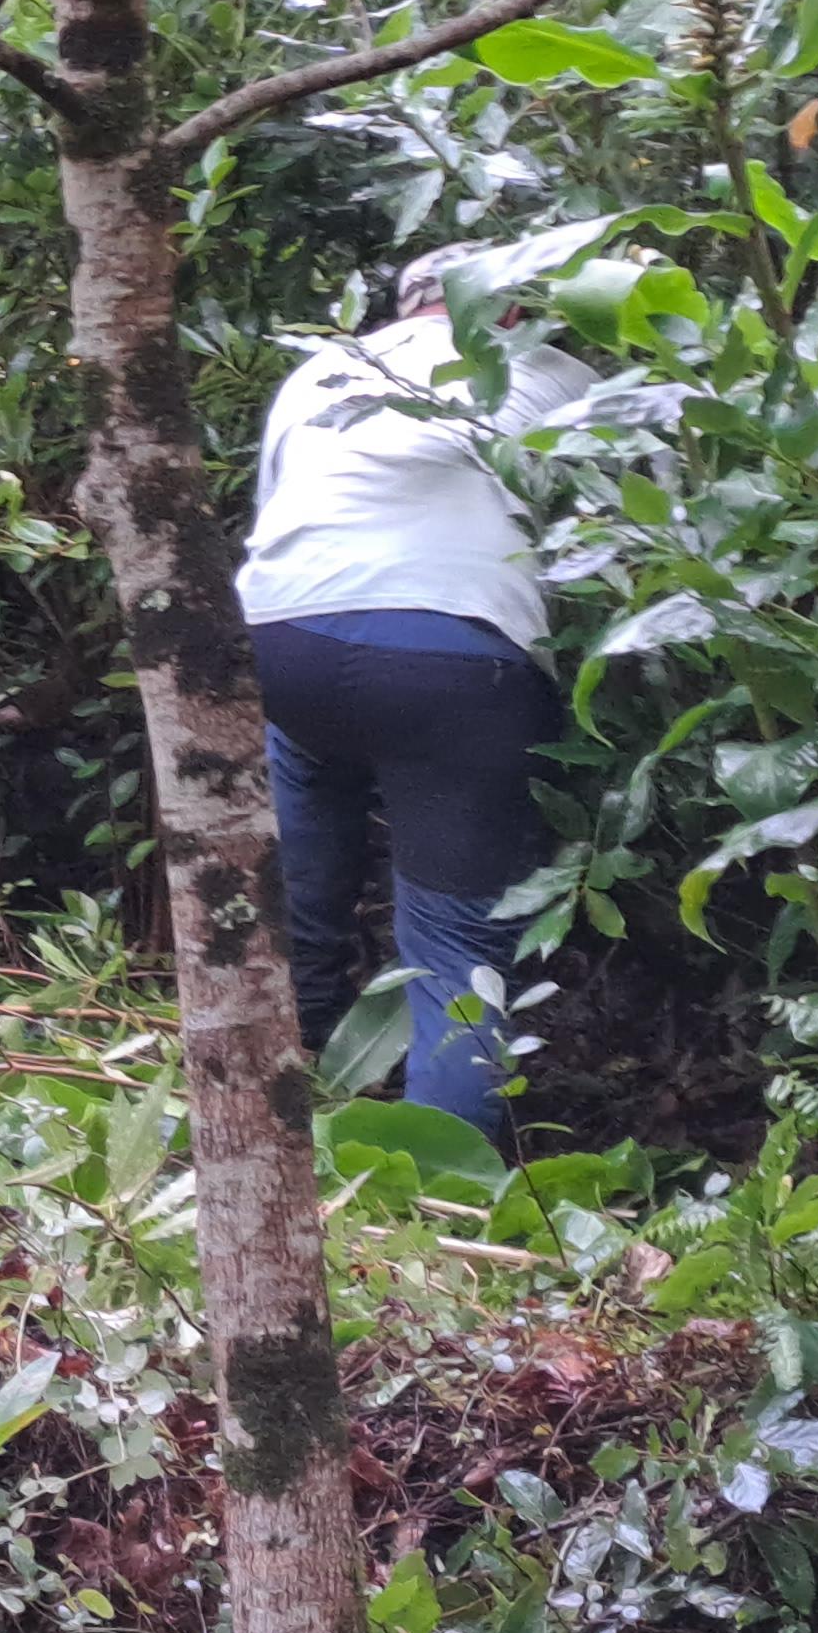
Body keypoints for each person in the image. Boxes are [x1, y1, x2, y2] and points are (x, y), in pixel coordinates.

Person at [237, 241, 596, 1141]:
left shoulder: (321, 370)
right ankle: (441, 1197)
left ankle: (293, 1092)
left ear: (405, 307)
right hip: (455, 657)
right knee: (457, 953)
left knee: (300, 851)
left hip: (284, 639)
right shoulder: (553, 371)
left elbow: (278, 513)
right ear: (511, 310)